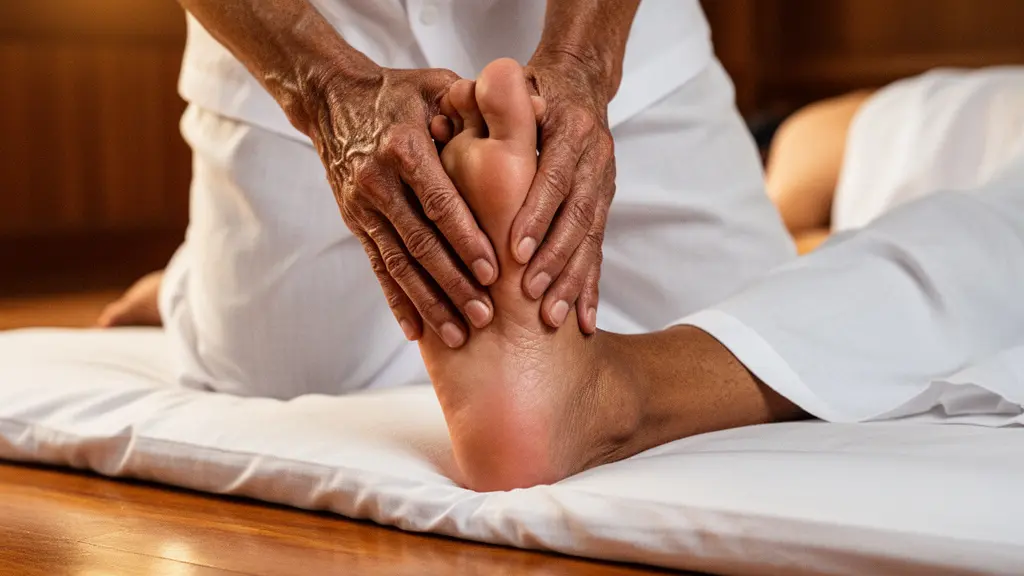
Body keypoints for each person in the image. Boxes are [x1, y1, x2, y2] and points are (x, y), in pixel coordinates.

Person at [102, 0, 793, 400]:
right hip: (295, 39)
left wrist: (584, 62)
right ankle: (189, 285)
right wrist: (323, 89)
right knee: (276, 378)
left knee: (769, 340)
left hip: (614, 45)